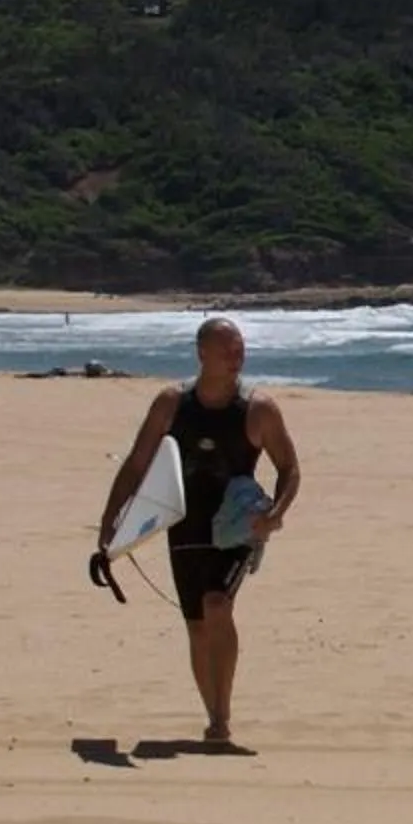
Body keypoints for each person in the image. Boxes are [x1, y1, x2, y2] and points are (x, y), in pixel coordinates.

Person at [96, 316, 300, 744]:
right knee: (195, 625)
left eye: (240, 348)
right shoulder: (172, 404)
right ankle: (212, 713)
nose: (236, 356)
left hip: (235, 524)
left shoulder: (259, 409)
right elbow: (137, 464)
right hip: (183, 522)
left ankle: (222, 719)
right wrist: (111, 522)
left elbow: (289, 468)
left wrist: (275, 513)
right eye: (228, 349)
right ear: (202, 353)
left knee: (217, 606)